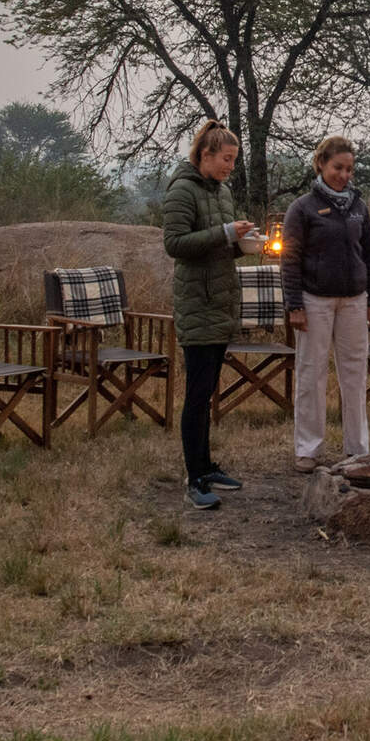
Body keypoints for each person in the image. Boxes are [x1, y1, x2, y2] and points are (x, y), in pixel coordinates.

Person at [162, 120, 255, 509]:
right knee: (197, 396)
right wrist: (225, 233)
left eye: (234, 160)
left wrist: (244, 243)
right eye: (226, 159)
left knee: (208, 392)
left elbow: (220, 244)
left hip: (219, 304)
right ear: (206, 155)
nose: (230, 166)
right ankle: (194, 478)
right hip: (197, 305)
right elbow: (175, 244)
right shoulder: (182, 190)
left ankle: (207, 464)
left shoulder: (223, 192)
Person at [281, 135, 370, 473]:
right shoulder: (302, 208)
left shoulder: (359, 207)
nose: (344, 175)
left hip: (355, 300)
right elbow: (290, 260)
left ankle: (358, 450)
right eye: (338, 167)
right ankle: (308, 449)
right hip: (314, 301)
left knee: (354, 375)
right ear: (321, 164)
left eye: (349, 169)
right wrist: (294, 304)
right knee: (311, 374)